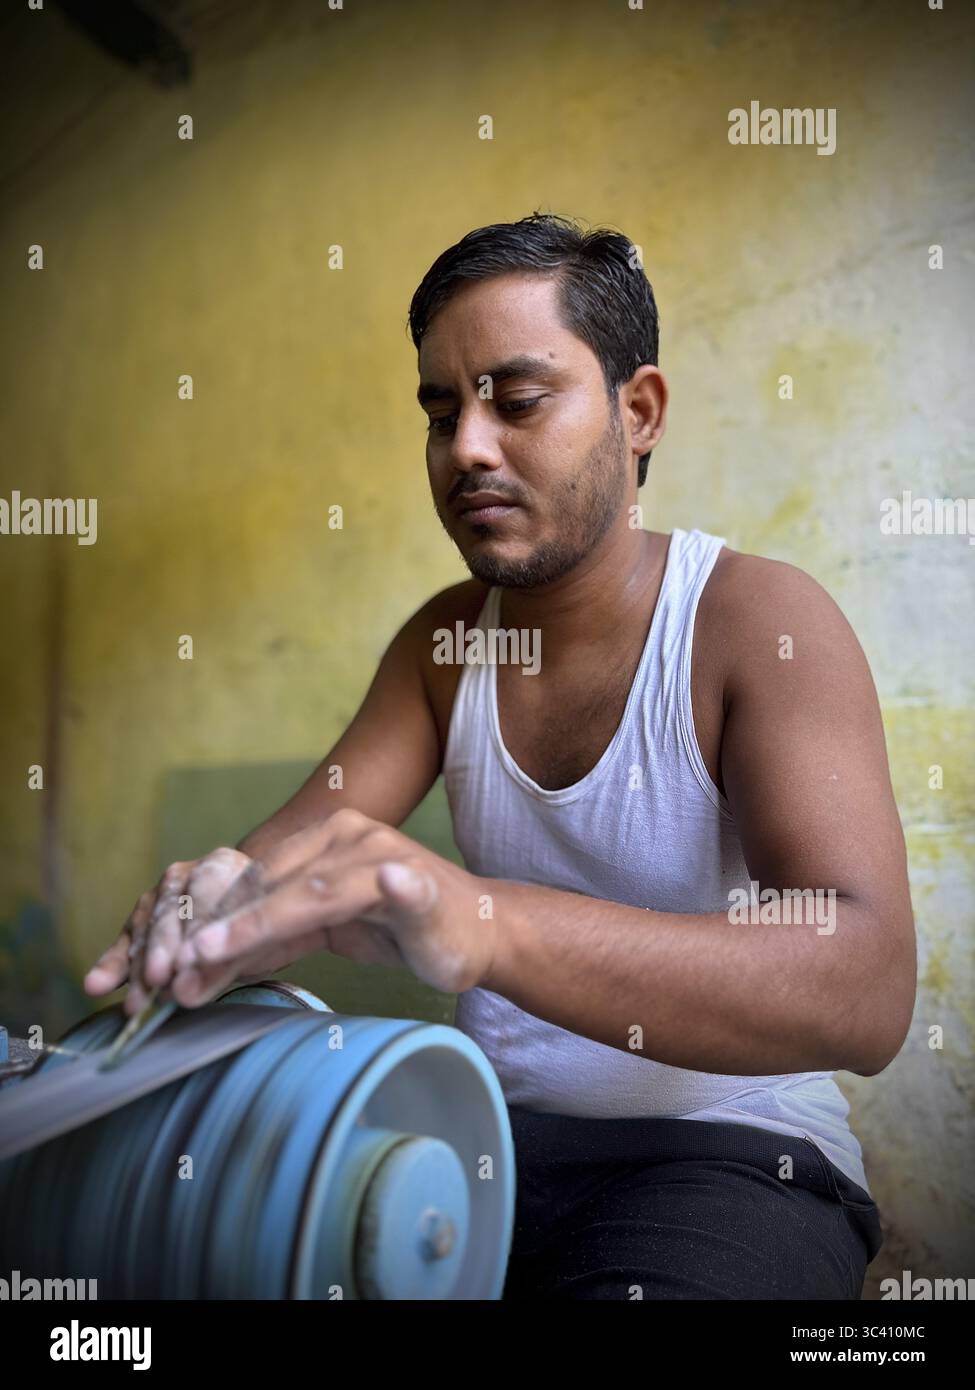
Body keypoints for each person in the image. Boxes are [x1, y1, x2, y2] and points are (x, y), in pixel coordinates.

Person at [85, 212, 915, 1299]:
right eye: (440, 413)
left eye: (516, 402)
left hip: (732, 1159)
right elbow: (275, 870)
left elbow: (866, 991)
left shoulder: (756, 619)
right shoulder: (444, 645)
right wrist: (210, 918)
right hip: (487, 1147)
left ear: (639, 410)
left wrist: (479, 921)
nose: (467, 447)